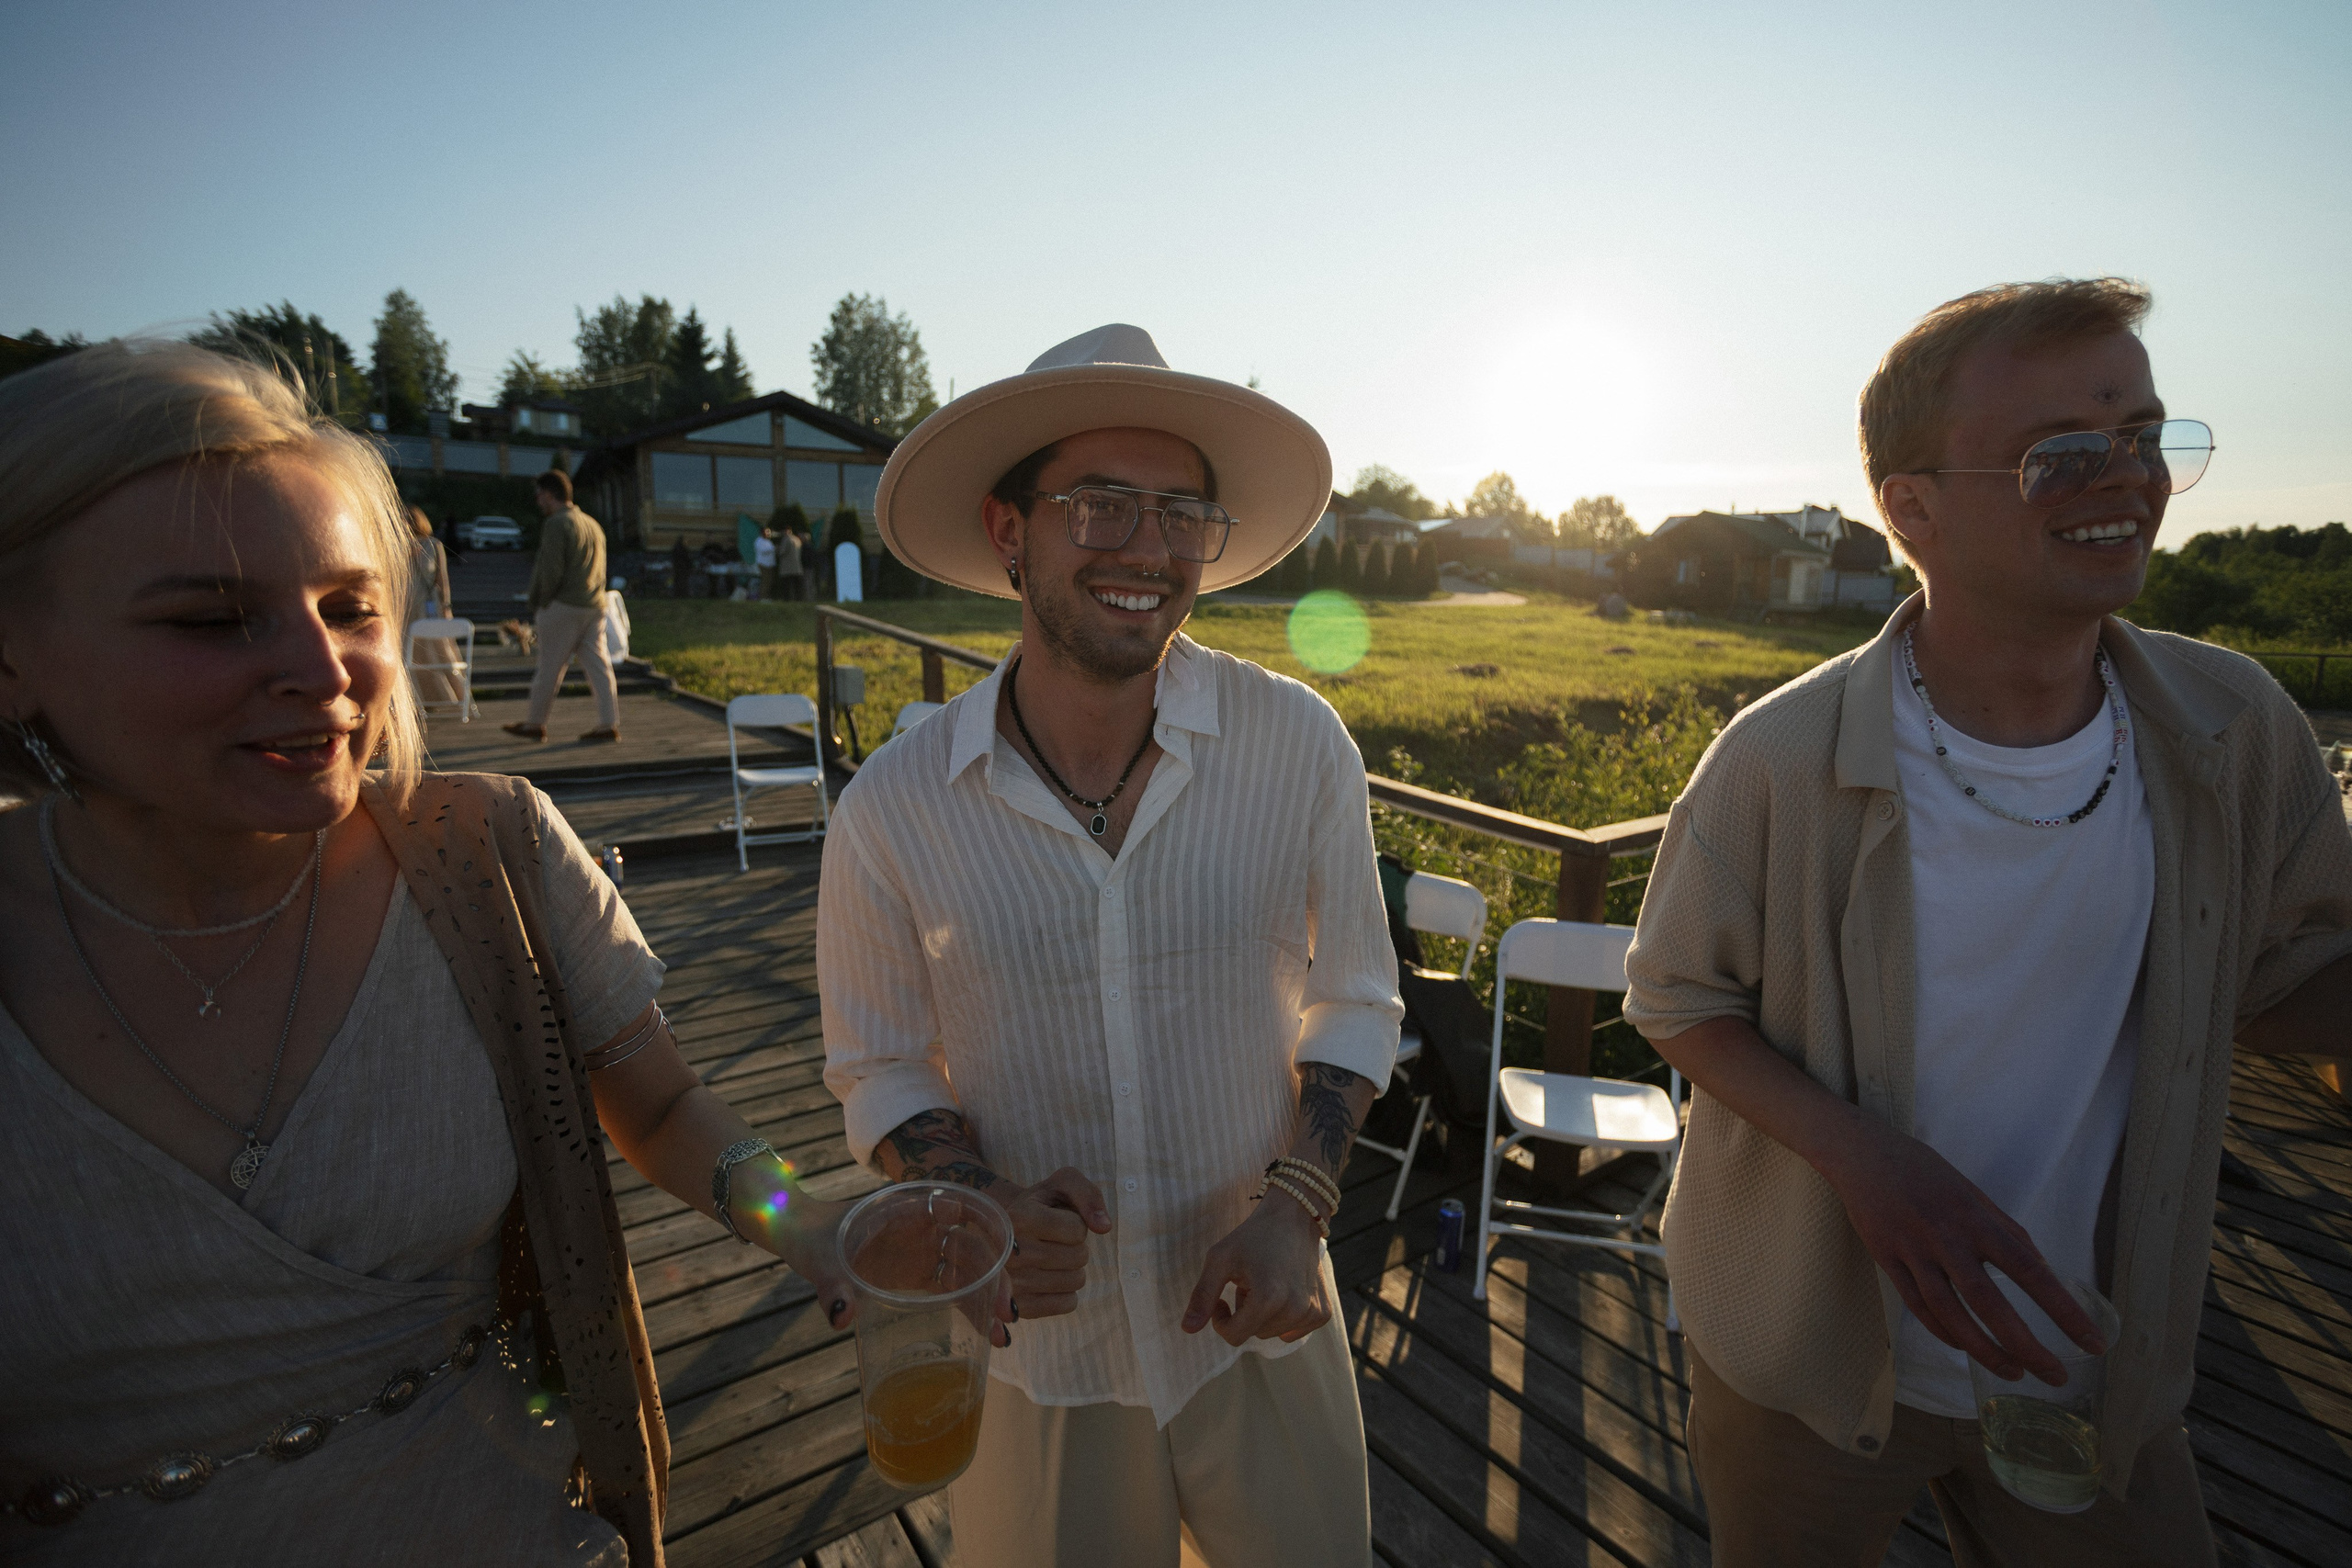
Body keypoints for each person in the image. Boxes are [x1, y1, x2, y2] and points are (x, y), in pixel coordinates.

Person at [0, 341, 860, 1564]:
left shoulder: (487, 858)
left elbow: (663, 1103)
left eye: (349, 606)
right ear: (12, 656)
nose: (324, 672)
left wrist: (806, 1221)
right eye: (213, 617)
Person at [1623, 278, 2352, 1566]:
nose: (2124, 478)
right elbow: (1675, 996)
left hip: (2095, 1352)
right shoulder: (1782, 757)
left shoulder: (2235, 730)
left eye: (2143, 435)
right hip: (1809, 1358)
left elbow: (2280, 976)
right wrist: (1868, 1162)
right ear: (1910, 507)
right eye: (2059, 453)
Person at [818, 324, 1401, 1568]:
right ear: (1009, 530)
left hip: (1258, 1310)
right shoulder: (893, 806)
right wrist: (976, 1202)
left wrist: (1299, 1206)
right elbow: (880, 1062)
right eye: (1099, 505)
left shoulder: (1299, 746)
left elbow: (1355, 997)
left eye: (1184, 513)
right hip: (1042, 1350)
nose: (1147, 548)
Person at [503, 471, 620, 745]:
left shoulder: (557, 523)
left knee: (549, 668)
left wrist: (539, 601)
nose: (537, 501)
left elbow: (550, 570)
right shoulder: (592, 524)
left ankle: (536, 723)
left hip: (564, 606)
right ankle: (608, 724)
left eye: (538, 495)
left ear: (548, 494)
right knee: (599, 668)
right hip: (595, 605)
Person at [403, 504, 465, 709]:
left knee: (439, 651)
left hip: (429, 605)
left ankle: (451, 697)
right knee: (411, 653)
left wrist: (446, 606)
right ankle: (417, 700)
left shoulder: (433, 545)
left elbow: (442, 579)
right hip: (406, 607)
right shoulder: (397, 546)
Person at [754, 527, 779, 602]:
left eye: (769, 532)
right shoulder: (759, 541)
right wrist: (774, 548)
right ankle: (762, 597)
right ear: (762, 533)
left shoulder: (768, 541)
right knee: (765, 581)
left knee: (770, 581)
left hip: (770, 564)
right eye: (767, 532)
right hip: (763, 564)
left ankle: (767, 597)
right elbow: (763, 551)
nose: (769, 534)